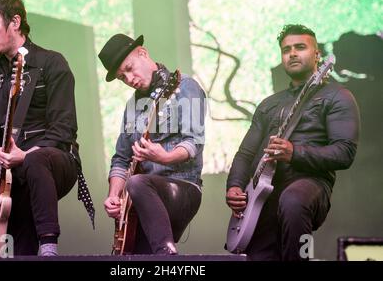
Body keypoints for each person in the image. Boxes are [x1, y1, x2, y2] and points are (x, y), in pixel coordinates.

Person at [0, 0, 94, 257]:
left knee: (34, 162)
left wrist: (24, 155)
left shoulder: (52, 63)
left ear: (15, 22)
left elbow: (63, 130)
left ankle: (48, 249)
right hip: (12, 178)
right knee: (12, 251)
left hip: (56, 162)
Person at [225, 24, 360, 260]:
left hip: (310, 183)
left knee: (293, 200)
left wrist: (295, 153)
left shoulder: (337, 96)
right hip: (261, 194)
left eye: (300, 47)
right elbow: (245, 154)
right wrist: (235, 186)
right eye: (286, 49)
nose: (293, 53)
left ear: (317, 55)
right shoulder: (269, 104)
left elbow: (344, 152)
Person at [98, 34, 206, 254]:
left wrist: (164, 157)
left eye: (129, 68)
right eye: (122, 77)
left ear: (143, 53)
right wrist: (113, 196)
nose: (129, 79)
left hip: (182, 187)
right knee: (133, 257)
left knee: (137, 183)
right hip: (140, 197)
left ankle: (166, 254)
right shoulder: (131, 106)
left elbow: (194, 142)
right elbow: (121, 158)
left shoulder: (185, 86)